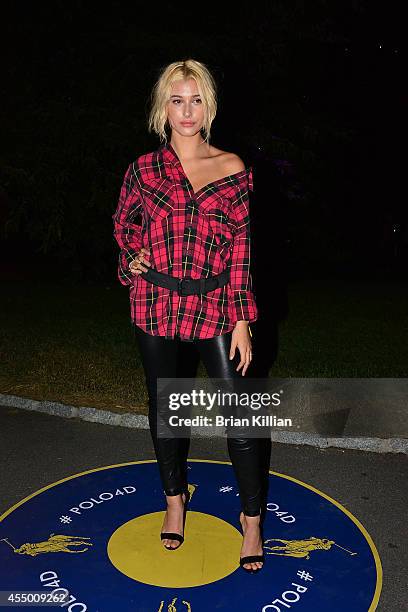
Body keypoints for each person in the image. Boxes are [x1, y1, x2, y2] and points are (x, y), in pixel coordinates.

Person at [112, 59, 265, 573]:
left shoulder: (232, 167)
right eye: (176, 99)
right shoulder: (143, 169)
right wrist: (131, 255)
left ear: (209, 106)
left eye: (195, 99)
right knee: (167, 410)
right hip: (154, 302)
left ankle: (251, 520)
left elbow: (242, 248)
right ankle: (175, 500)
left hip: (216, 304)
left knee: (237, 414)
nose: (186, 110)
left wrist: (242, 319)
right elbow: (122, 222)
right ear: (163, 107)